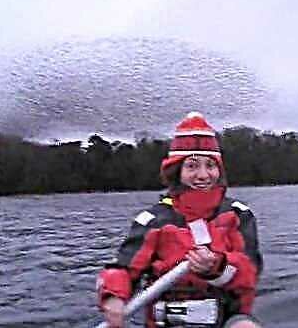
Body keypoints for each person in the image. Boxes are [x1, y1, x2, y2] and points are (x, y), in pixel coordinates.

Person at [96, 112, 264, 328]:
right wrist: (113, 296)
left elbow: (250, 273)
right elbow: (123, 269)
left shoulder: (239, 215)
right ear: (177, 171)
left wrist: (216, 266)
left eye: (210, 165)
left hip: (226, 320)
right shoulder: (153, 221)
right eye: (192, 166)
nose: (203, 175)